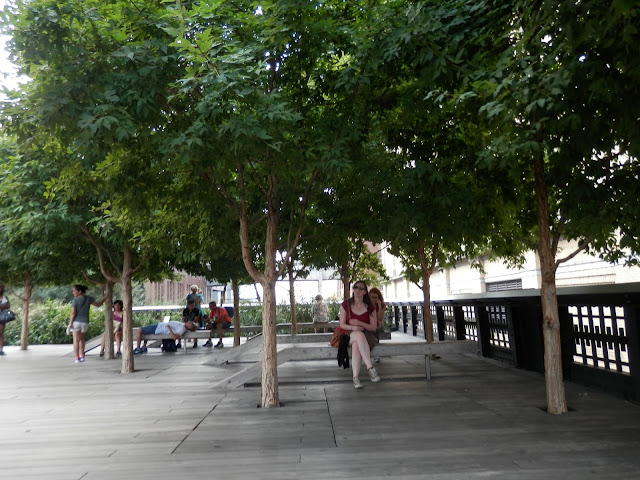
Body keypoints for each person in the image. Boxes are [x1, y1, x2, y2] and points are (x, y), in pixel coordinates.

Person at [338, 280, 381, 389]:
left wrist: (359, 323)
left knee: (356, 346)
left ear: (365, 292)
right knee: (357, 334)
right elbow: (342, 324)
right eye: (356, 287)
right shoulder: (345, 304)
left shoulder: (370, 307)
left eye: (361, 288)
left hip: (367, 336)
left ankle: (356, 378)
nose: (357, 290)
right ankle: (370, 368)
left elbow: (373, 327)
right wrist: (354, 327)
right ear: (353, 289)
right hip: (349, 334)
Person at [67, 285, 106, 364]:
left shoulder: (75, 300)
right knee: (81, 339)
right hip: (85, 322)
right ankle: (82, 356)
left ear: (79, 291)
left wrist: (70, 323)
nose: (73, 293)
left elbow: (73, 312)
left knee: (76, 340)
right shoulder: (89, 299)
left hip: (76, 322)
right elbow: (98, 305)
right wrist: (105, 298)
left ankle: (77, 357)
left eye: (74, 291)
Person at [134, 320, 198, 354]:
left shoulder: (183, 329)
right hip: (159, 325)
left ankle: (138, 348)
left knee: (139, 331)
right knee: (145, 332)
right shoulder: (183, 325)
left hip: (158, 328)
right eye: (192, 322)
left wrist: (169, 329)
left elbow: (175, 337)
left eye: (192, 324)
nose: (191, 322)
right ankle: (144, 346)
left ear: (190, 327)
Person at [368, 287, 386, 363]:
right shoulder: (366, 305)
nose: (374, 299)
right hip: (368, 324)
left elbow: (379, 318)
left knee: (376, 326)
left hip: (377, 324)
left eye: (376, 297)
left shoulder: (382, 305)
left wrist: (378, 307)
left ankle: (376, 354)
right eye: (372, 297)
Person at [0, 283, 11, 356]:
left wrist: (1, 306)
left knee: (1, 333)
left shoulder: (5, 297)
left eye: (1, 288)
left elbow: (8, 305)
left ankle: (1, 350)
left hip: (2, 317)